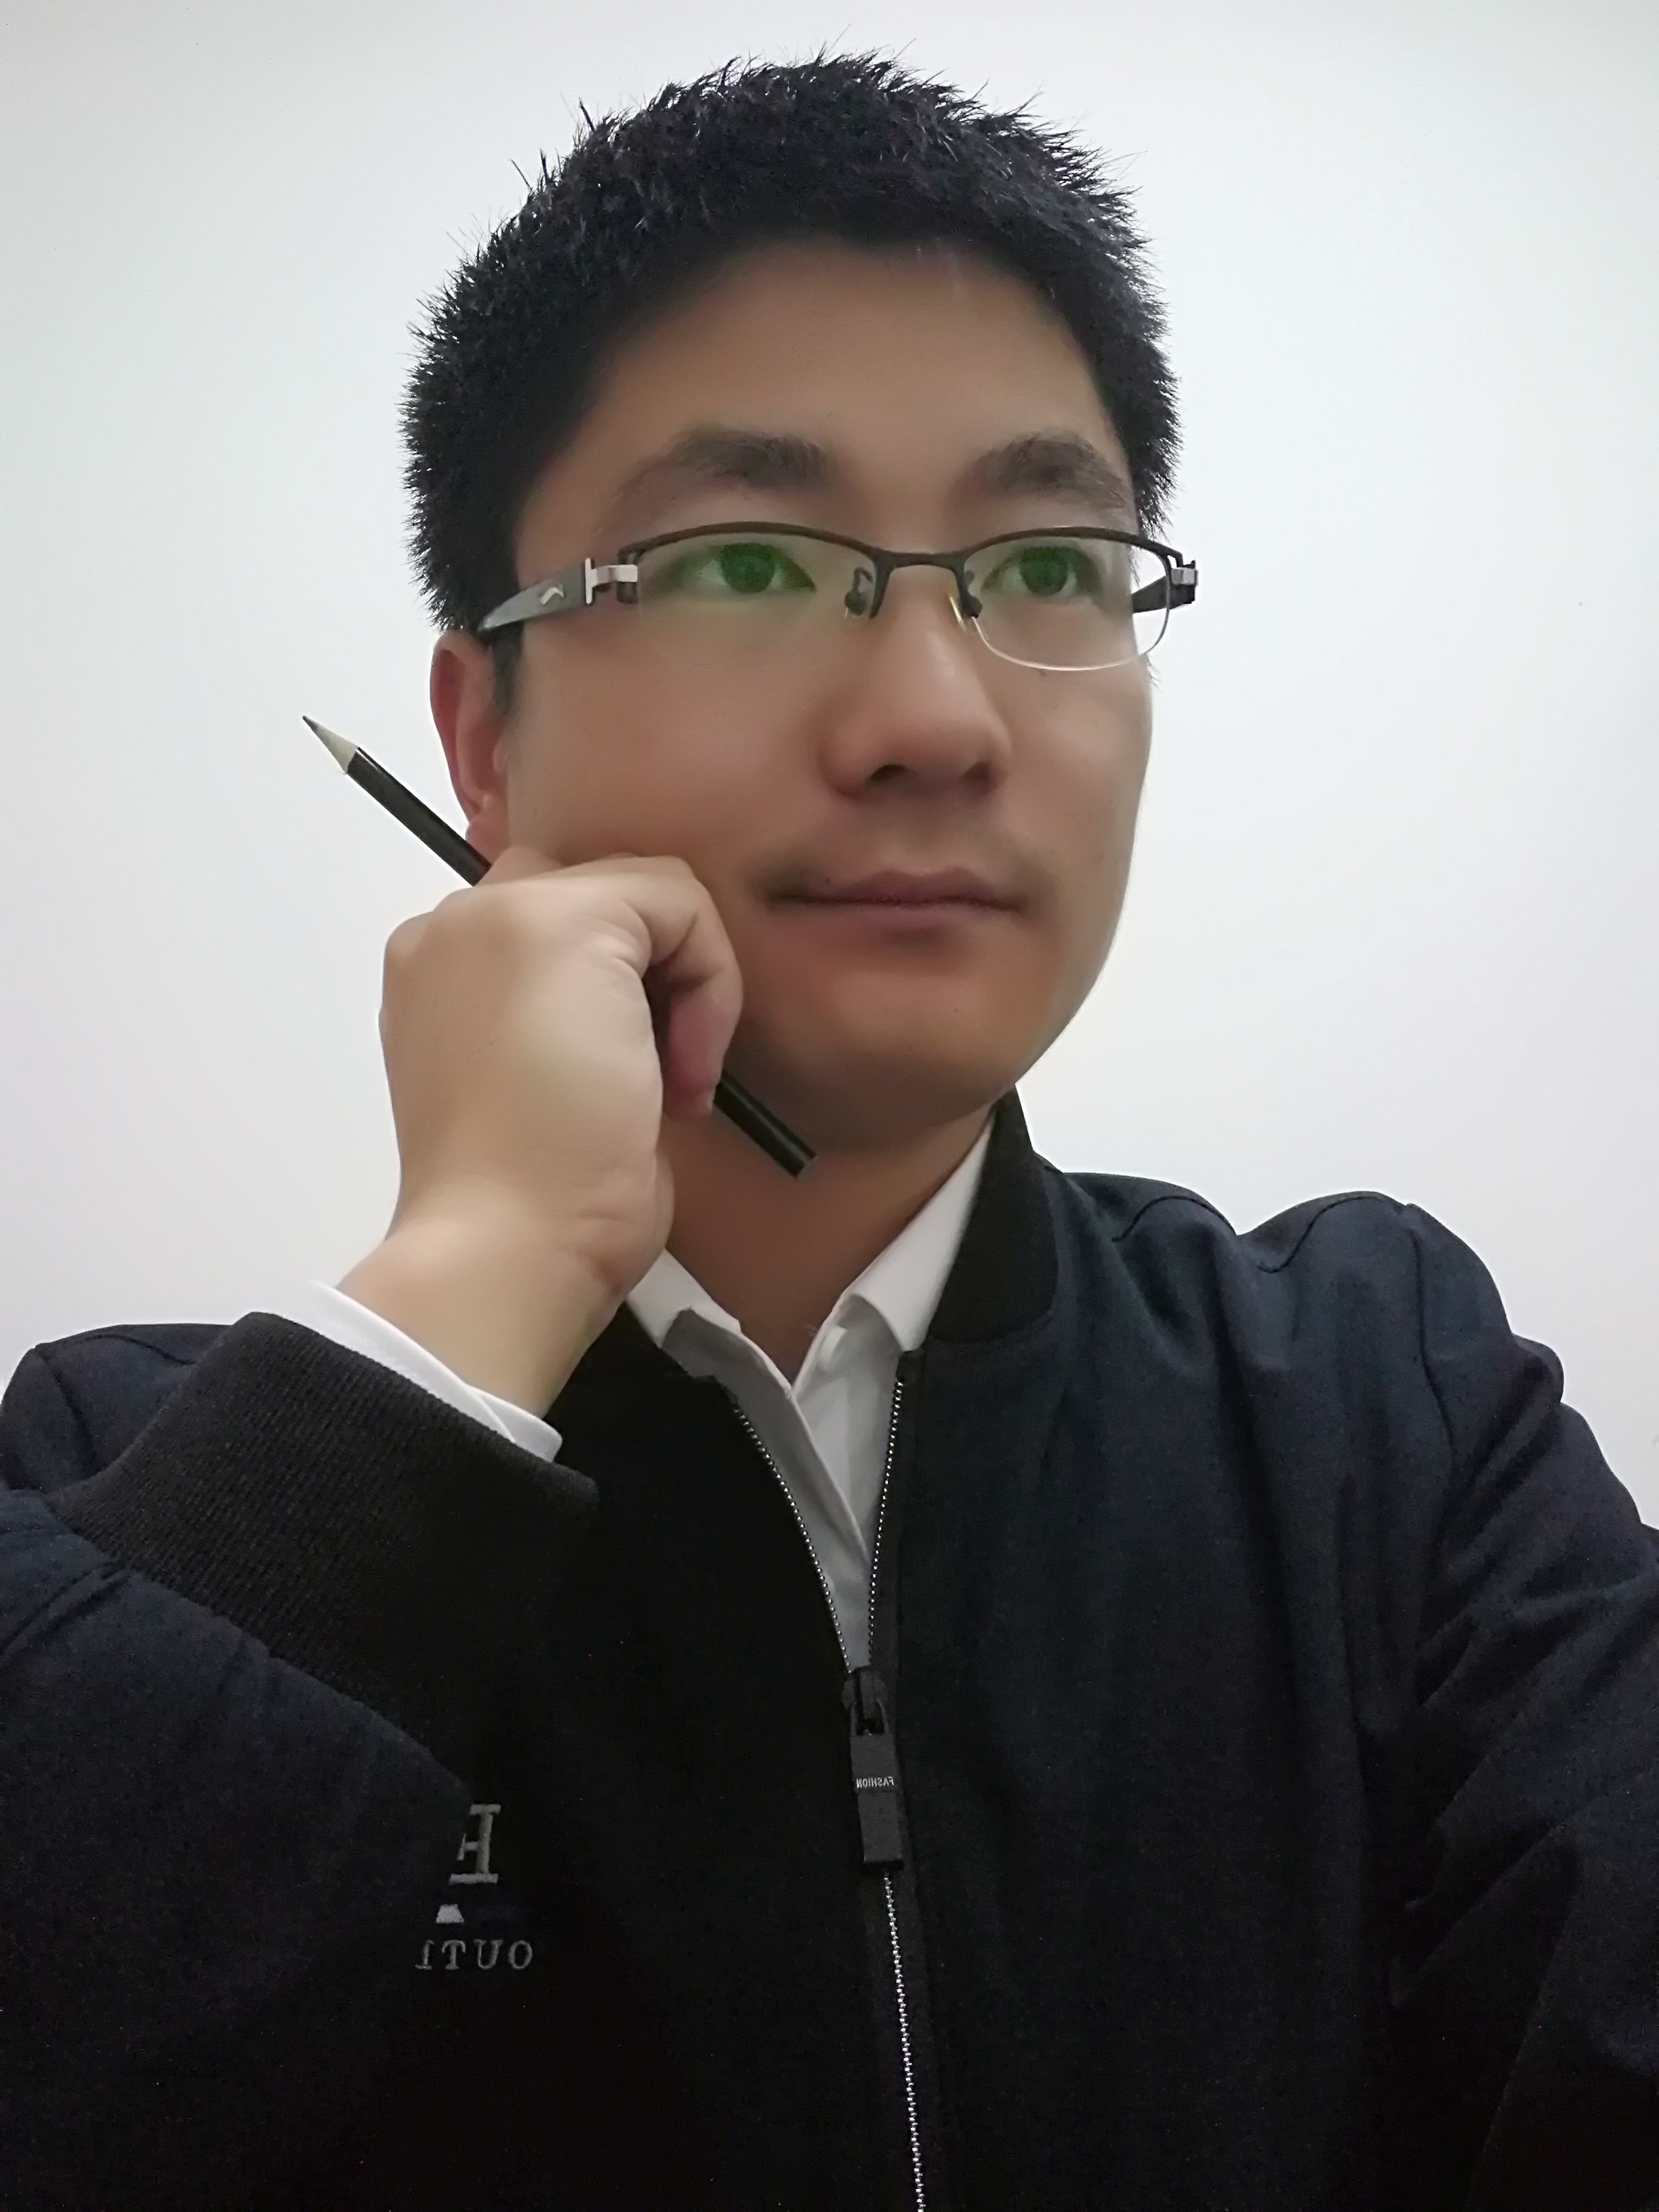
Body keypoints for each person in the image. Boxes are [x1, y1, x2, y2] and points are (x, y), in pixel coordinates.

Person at [1, 54, 1654, 2212]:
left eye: (1047, 559)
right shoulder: (120, 1497)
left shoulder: (1384, 1419)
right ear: (480, 737)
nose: (937, 721)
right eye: (751, 564)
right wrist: (475, 1278)